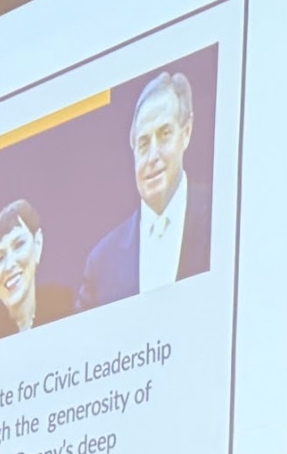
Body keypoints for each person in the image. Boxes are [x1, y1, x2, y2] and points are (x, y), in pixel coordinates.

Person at [79, 70, 210, 308]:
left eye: (164, 134)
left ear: (187, 132)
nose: (152, 157)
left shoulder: (224, 214)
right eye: (143, 143)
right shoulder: (102, 263)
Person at [0, 199, 72, 345]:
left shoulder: (64, 306)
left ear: (38, 244)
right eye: (0, 258)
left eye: (19, 245)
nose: (9, 265)